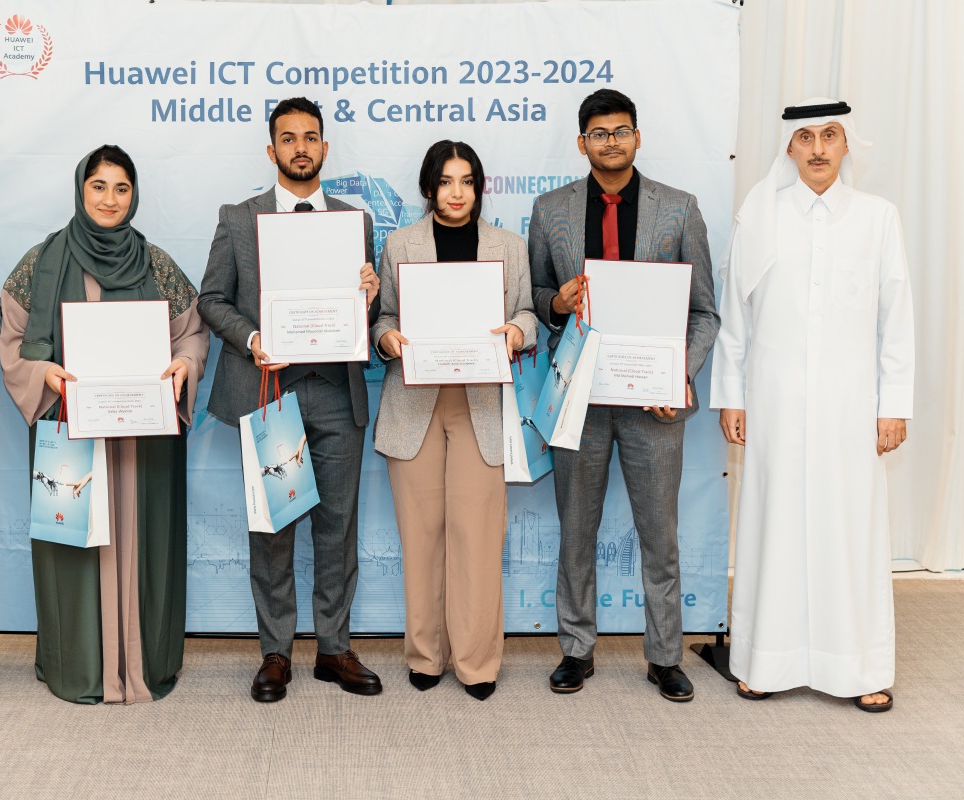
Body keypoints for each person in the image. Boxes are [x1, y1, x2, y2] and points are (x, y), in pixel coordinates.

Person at [710, 99, 914, 712]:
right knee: (774, 524)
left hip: (853, 404)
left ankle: (861, 668)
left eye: (830, 136)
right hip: (772, 400)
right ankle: (764, 661)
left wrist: (894, 404)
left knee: (849, 529)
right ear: (789, 148)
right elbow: (735, 317)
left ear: (848, 145)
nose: (819, 148)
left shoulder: (878, 218)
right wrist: (732, 395)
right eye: (806, 137)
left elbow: (895, 318)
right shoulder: (760, 216)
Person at [528, 88, 719, 702]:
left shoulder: (680, 209)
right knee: (575, 530)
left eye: (622, 131)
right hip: (578, 395)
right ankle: (576, 651)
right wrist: (557, 303)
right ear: (581, 143)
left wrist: (678, 373)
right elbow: (535, 302)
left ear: (638, 137)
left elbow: (705, 314)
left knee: (659, 534)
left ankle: (665, 656)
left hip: (653, 402)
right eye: (599, 133)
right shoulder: (550, 210)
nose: (611, 141)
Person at [0, 145, 209, 704]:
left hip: (145, 441)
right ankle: (81, 666)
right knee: (75, 542)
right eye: (98, 186)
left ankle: (143, 663)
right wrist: (47, 374)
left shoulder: (157, 263)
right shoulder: (41, 262)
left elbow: (192, 331)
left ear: (134, 195)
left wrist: (183, 365)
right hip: (71, 432)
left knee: (144, 544)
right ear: (80, 189)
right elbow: (13, 342)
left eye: (121, 188)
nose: (109, 199)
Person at [197, 97, 382, 702]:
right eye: (288, 137)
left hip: (335, 392)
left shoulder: (354, 220)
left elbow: (365, 315)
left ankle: (334, 649)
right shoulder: (238, 217)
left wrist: (371, 295)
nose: (300, 147)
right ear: (271, 150)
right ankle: (275, 652)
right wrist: (253, 339)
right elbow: (212, 300)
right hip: (270, 390)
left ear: (325, 149)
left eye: (311, 137)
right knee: (272, 525)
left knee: (338, 525)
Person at [372, 140, 537, 701]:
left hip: (480, 405)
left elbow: (528, 313)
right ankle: (425, 655)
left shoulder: (508, 247)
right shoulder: (400, 244)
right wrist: (387, 338)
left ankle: (477, 662)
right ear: (428, 188)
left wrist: (517, 332)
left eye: (467, 181)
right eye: (446, 181)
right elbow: (385, 315)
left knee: (477, 535)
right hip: (413, 403)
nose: (457, 192)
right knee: (421, 536)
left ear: (479, 186)